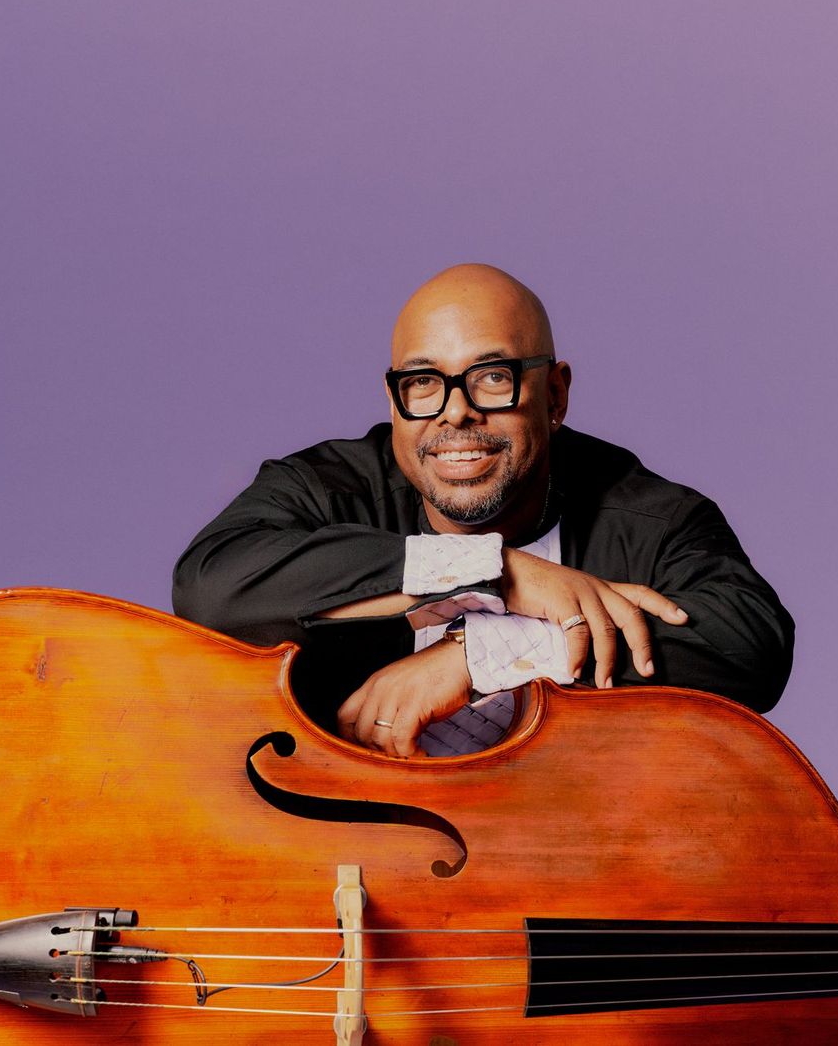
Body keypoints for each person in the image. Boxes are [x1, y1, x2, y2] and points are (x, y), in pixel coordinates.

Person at [173, 264, 793, 757]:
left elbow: (751, 647)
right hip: (348, 848)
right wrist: (497, 573)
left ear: (555, 395)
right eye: (422, 383)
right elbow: (211, 589)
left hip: (559, 853)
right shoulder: (325, 487)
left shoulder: (652, 518)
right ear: (393, 399)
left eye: (493, 377)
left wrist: (482, 652)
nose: (454, 412)